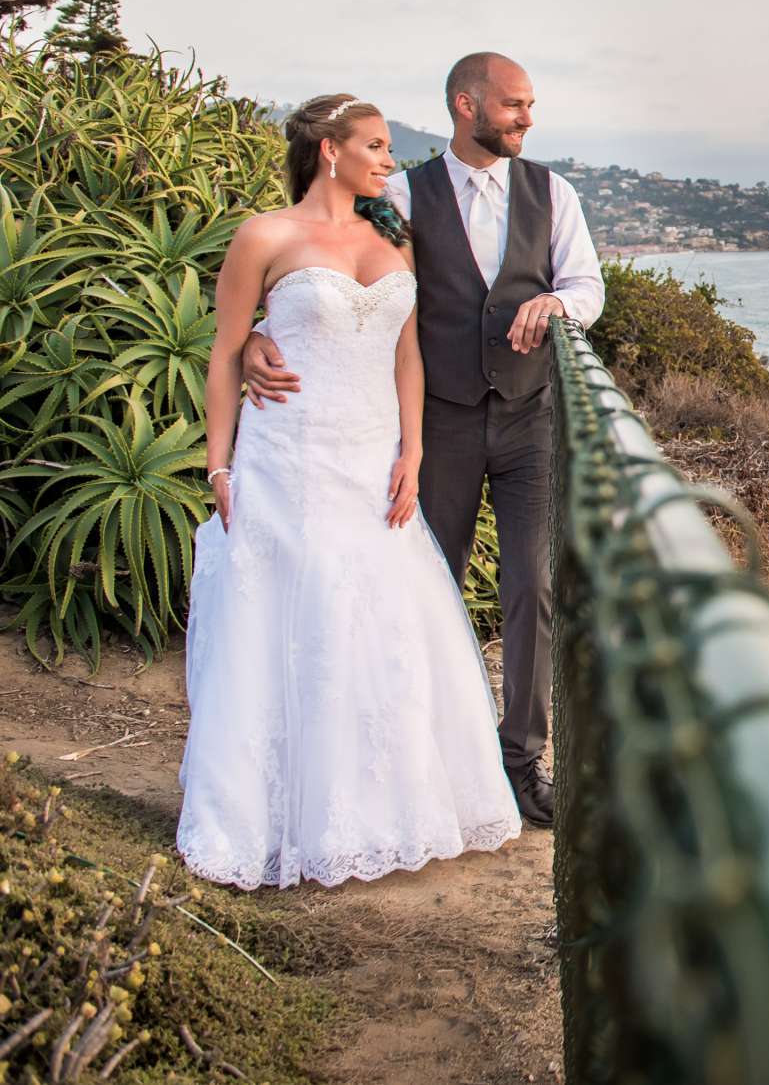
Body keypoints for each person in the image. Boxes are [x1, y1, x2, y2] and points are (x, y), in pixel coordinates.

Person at [240, 53, 603, 828]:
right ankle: (433, 752)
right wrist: (253, 339)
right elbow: (327, 270)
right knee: (424, 587)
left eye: (531, 105)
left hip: (528, 417)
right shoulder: (400, 195)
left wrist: (554, 305)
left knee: (532, 587)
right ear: (466, 106)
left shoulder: (553, 192)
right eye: (513, 105)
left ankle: (518, 759)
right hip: (433, 420)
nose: (527, 119)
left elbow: (587, 286)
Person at [178, 94, 521, 888]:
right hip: (287, 461)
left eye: (388, 148)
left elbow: (408, 355)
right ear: (329, 151)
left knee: (383, 623)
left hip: (374, 459)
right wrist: (219, 465)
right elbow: (227, 352)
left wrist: (415, 450)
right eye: (374, 146)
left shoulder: (390, 235)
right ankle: (275, 819)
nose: (387, 160)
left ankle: (385, 810)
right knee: (293, 623)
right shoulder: (264, 236)